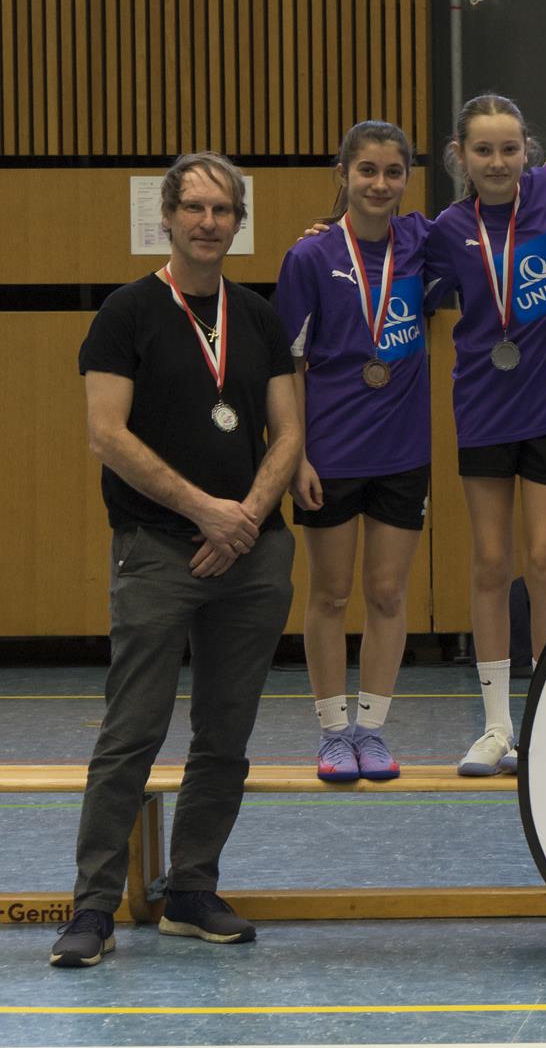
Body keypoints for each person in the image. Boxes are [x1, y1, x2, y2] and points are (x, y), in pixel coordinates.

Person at [52, 154, 301, 967]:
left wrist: (245, 518)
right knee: (131, 731)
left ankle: (191, 890)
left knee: (225, 734)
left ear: (238, 222)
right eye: (193, 207)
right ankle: (93, 906)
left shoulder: (258, 317)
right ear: (166, 216)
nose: (207, 221)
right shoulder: (125, 313)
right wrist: (206, 512)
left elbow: (289, 432)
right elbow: (106, 434)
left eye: (222, 209)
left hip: (252, 557)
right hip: (158, 551)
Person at [425, 94, 546, 775]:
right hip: (485, 406)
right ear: (460, 155)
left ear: (529, 150)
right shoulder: (446, 229)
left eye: (509, 148)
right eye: (483, 150)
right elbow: (385, 254)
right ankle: (496, 727)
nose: (497, 162)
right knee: (492, 561)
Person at [276, 121, 432, 784]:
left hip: (402, 450)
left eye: (393, 171)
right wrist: (296, 455)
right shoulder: (309, 257)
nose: (379, 183)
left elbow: (502, 205)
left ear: (407, 178)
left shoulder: (423, 242)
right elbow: (288, 364)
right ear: (343, 173)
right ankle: (333, 733)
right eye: (366, 170)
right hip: (331, 452)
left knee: (388, 592)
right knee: (332, 593)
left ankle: (371, 728)